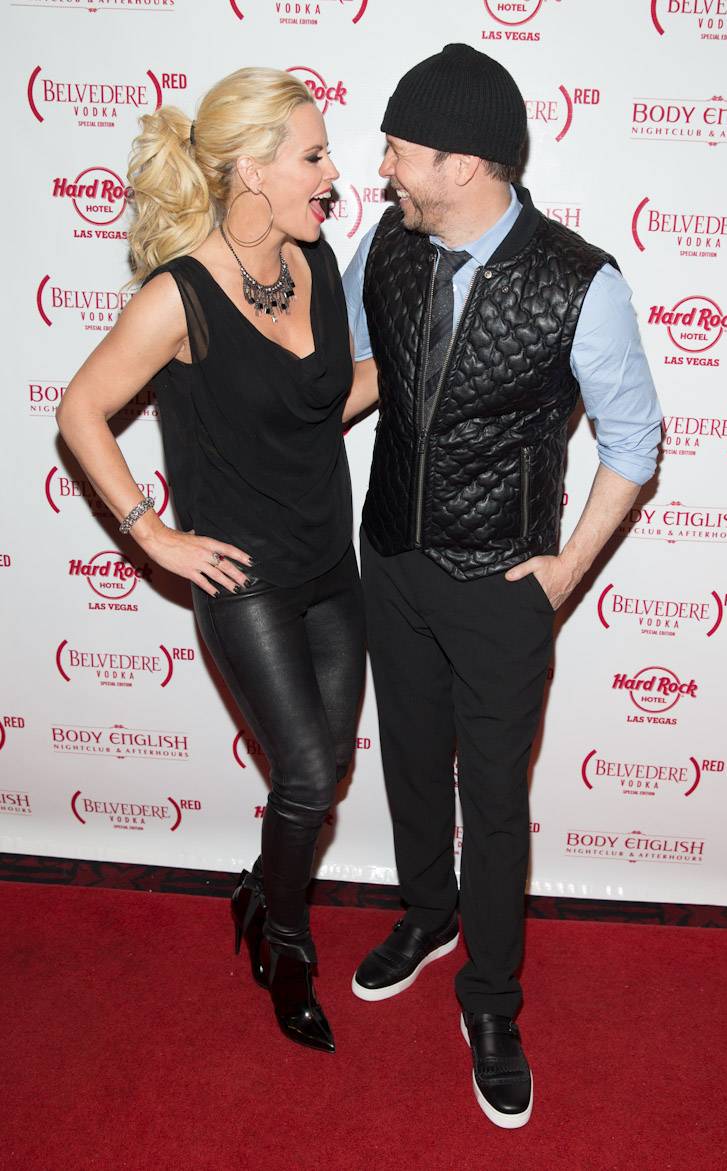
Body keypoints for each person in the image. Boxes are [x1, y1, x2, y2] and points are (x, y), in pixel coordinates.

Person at [342, 44, 661, 1126]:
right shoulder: (387, 242)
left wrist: (564, 573)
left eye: (399, 148)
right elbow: (365, 370)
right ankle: (426, 914)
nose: (382, 166)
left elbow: (631, 442)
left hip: (499, 583)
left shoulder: (581, 281)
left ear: (463, 162)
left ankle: (490, 999)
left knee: (492, 796)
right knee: (407, 761)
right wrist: (276, 433)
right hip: (390, 555)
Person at [56, 67, 366, 1054]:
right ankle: (286, 946)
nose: (333, 174)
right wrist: (151, 534)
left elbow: (319, 407)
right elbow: (80, 410)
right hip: (247, 582)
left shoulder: (315, 265)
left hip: (333, 566)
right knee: (307, 774)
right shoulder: (178, 295)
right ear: (252, 172)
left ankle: (258, 890)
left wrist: (419, 370)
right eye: (314, 156)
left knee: (323, 771)